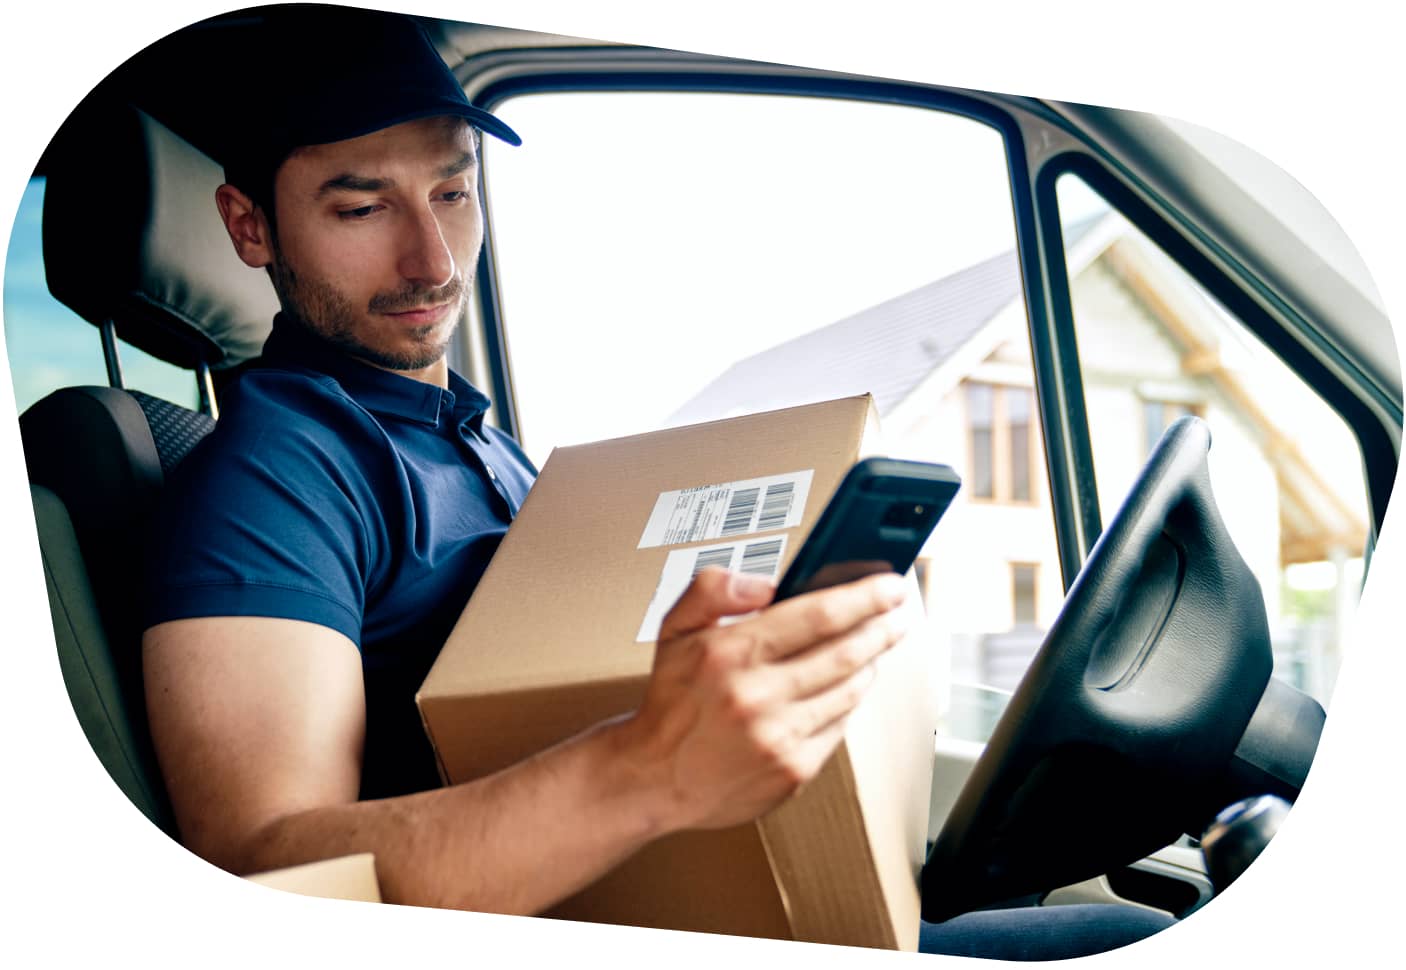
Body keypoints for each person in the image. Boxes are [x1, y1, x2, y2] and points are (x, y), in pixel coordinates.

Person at [141, 6, 1171, 956]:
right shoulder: (275, 475)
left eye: (453, 190)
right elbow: (261, 870)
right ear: (249, 226)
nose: (432, 259)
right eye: (362, 205)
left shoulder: (473, 439)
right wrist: (649, 764)